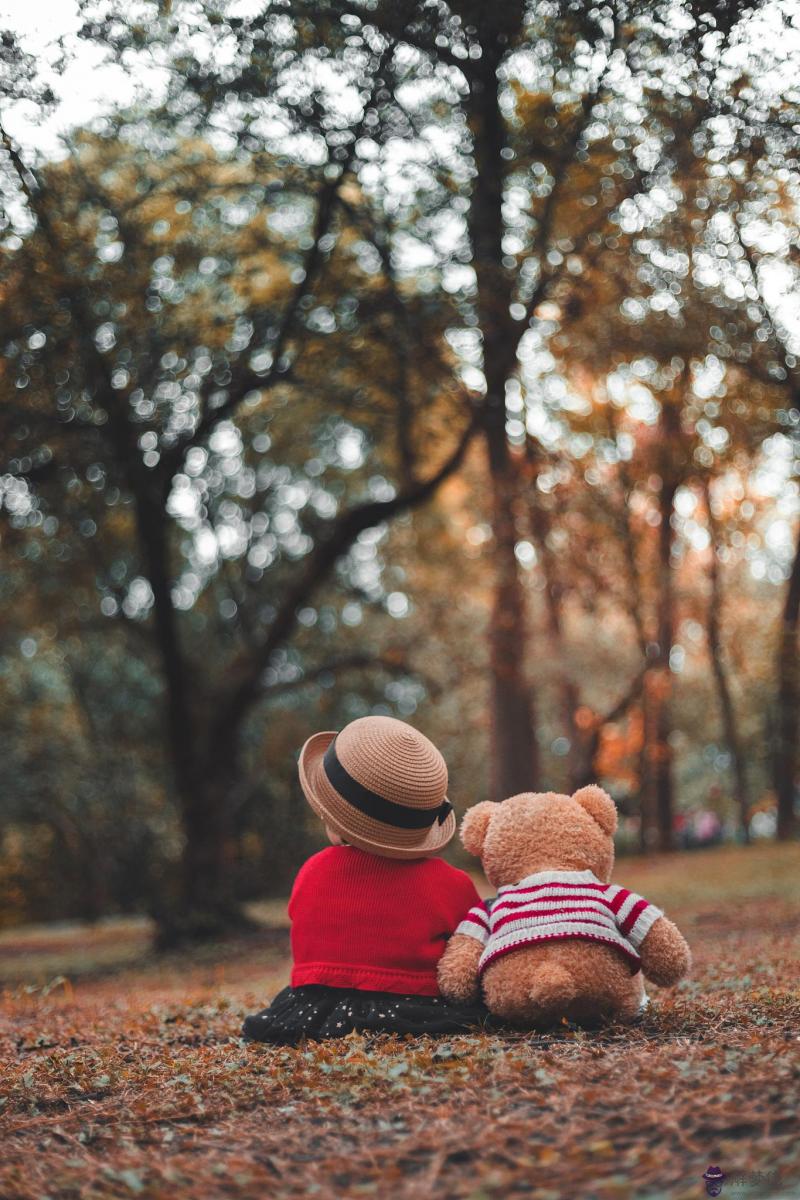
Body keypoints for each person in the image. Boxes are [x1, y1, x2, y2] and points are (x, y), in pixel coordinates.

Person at [242, 715, 489, 1043]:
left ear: (330, 813)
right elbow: (472, 950)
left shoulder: (312, 871)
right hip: (416, 1008)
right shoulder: (453, 885)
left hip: (315, 1008)